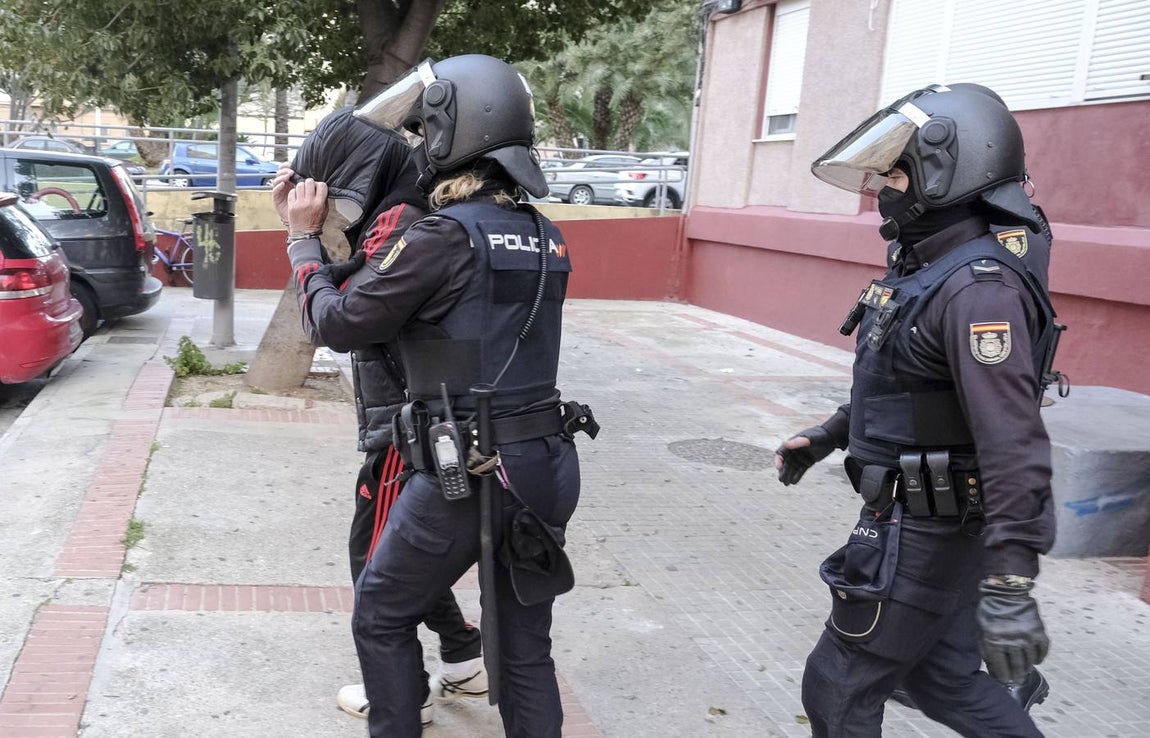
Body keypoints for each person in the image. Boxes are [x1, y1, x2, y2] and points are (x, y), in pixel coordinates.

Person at [285, 54, 591, 738]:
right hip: (545, 461)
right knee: (523, 651)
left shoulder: (442, 236)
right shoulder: (545, 234)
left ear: (458, 132)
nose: (421, 146)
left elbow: (338, 321)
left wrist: (302, 240)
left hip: (471, 470)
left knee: (381, 612)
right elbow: (422, 301)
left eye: (427, 132)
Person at [777, 84, 1060, 737]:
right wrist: (824, 437)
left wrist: (1012, 583)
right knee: (945, 682)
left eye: (897, 171)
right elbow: (903, 388)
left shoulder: (975, 289)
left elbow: (1014, 441)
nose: (881, 185)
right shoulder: (925, 268)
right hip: (919, 515)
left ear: (946, 173)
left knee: (839, 685)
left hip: (926, 528)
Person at [274, 108, 487, 727]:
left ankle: (403, 691)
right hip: (410, 417)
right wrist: (300, 231)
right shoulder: (404, 206)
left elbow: (338, 319)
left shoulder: (405, 219)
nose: (330, 204)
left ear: (352, 176)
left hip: (409, 423)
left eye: (330, 189)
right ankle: (464, 658)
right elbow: (349, 281)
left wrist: (301, 239)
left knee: (373, 559)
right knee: (396, 552)